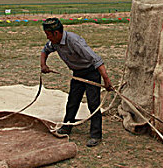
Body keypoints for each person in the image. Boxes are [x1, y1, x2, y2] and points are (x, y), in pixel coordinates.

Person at [40, 17, 113, 147]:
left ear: (56, 33)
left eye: (48, 35)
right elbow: (45, 50)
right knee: (72, 102)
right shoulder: (54, 42)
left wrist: (106, 80)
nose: (48, 38)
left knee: (93, 104)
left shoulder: (75, 41)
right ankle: (67, 127)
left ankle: (96, 135)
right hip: (77, 74)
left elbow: (97, 60)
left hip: (91, 73)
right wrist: (43, 65)